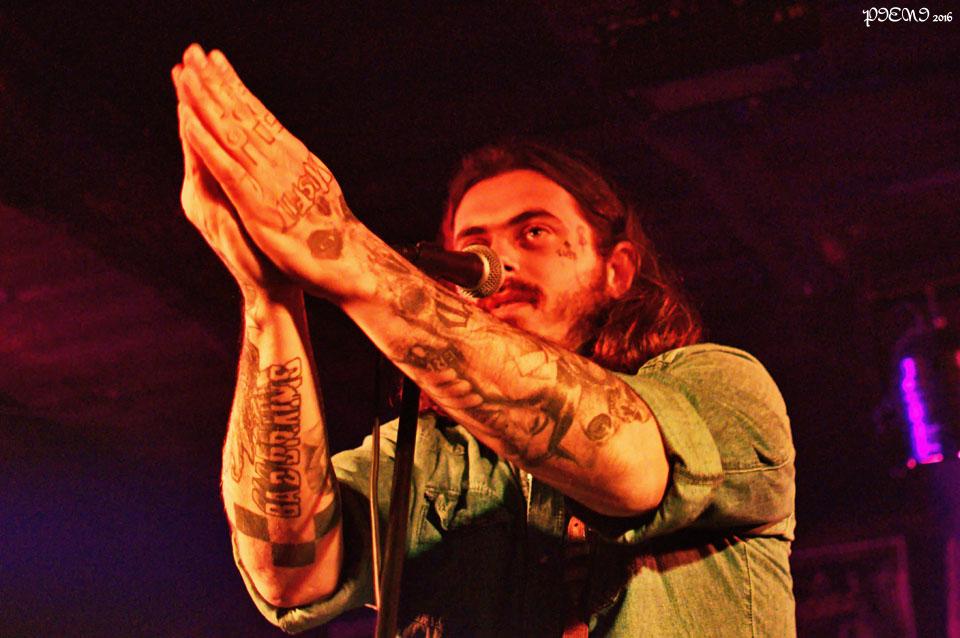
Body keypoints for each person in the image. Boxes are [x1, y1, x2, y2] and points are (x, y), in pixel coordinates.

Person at [172, 43, 796, 636]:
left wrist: (349, 254)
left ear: (618, 270)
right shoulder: (427, 454)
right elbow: (290, 572)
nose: (497, 261)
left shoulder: (723, 386)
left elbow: (629, 469)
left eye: (534, 233)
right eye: (474, 242)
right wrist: (268, 296)